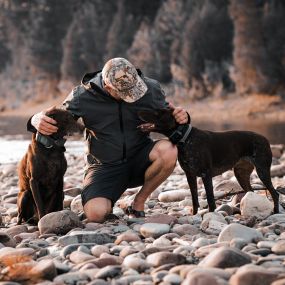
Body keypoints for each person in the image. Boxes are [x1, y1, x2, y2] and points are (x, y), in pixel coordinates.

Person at [29, 57, 189, 222]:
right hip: (104, 168)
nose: (132, 97)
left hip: (141, 159)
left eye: (134, 90)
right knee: (96, 214)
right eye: (125, 94)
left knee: (169, 149)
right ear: (107, 87)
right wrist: (35, 120)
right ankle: (116, 201)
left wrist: (182, 117)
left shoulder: (151, 89)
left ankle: (138, 202)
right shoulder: (82, 96)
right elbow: (55, 121)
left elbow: (169, 120)